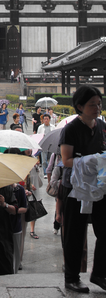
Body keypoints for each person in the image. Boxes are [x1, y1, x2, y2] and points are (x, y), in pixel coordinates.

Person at [60, 85, 106, 293]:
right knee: (75, 233)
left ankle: (99, 273)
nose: (97, 107)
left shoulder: (103, 126)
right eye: (92, 104)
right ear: (79, 106)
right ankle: (71, 277)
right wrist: (90, 160)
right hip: (75, 188)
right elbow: (66, 160)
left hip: (99, 186)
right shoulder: (70, 129)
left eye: (99, 103)